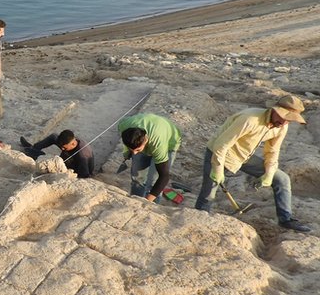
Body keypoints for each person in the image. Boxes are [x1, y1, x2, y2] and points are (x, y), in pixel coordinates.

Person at [194, 95, 311, 233]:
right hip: (220, 153)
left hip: (244, 156)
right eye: (283, 117)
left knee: (282, 179)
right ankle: (199, 220)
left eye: (289, 120)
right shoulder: (250, 119)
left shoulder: (281, 127)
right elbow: (221, 144)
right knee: (209, 192)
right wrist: (218, 168)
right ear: (274, 110)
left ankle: (285, 219)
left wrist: (269, 174)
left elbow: (272, 151)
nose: (284, 122)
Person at [118, 113, 181, 203]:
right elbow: (132, 147)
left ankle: (153, 206)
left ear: (146, 140)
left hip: (168, 142)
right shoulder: (123, 126)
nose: (134, 153)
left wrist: (146, 203)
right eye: (132, 149)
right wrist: (128, 152)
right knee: (137, 177)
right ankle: (135, 200)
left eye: (138, 150)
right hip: (150, 130)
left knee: (153, 181)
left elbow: (164, 176)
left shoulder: (158, 145)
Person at [20, 130, 94, 178]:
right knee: (53, 137)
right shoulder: (71, 141)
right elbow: (55, 138)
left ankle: (30, 151)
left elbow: (85, 176)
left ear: (73, 143)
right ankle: (33, 148)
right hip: (69, 156)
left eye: (65, 148)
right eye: (61, 147)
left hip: (77, 167)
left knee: (46, 160)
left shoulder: (82, 156)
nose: (62, 149)